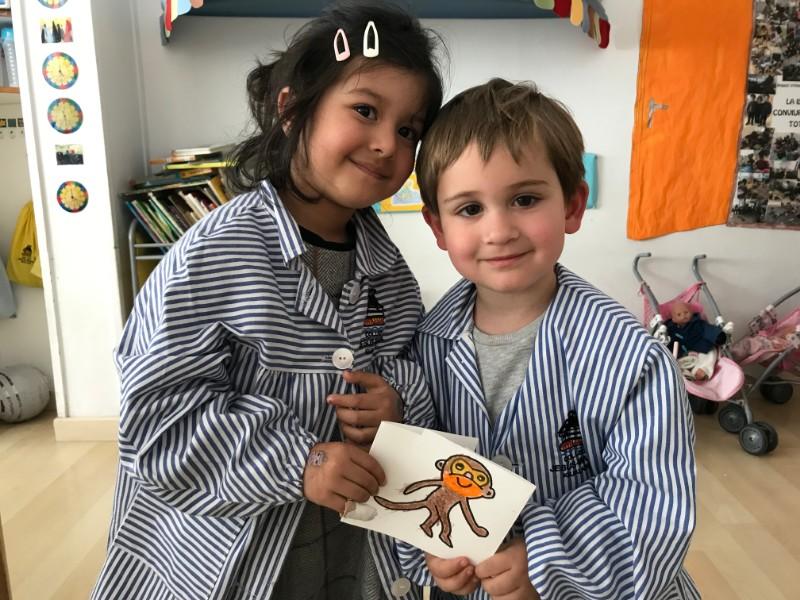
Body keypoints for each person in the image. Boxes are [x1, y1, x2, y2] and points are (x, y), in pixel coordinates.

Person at [91, 2, 444, 599]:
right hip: (221, 564)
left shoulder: (391, 276)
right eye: (365, 110)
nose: (387, 143)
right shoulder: (213, 254)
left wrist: (397, 401)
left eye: (408, 130)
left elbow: (414, 366)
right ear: (291, 110)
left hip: (349, 554)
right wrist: (298, 462)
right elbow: (157, 420)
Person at [397, 79, 699, 599]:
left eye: (525, 199)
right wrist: (431, 553)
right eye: (469, 209)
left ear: (572, 206)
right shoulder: (422, 347)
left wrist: (542, 559)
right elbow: (415, 476)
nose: (499, 230)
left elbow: (653, 511)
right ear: (438, 227)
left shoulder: (633, 359)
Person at [665, 300, 727, 381]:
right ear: (673, 319)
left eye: (686, 312)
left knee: (712, 352)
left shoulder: (698, 323)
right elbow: (668, 342)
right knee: (675, 363)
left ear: (691, 312)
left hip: (700, 348)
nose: (683, 315)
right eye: (679, 314)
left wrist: (717, 336)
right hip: (683, 354)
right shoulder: (671, 329)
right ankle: (685, 375)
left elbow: (707, 330)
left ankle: (702, 370)